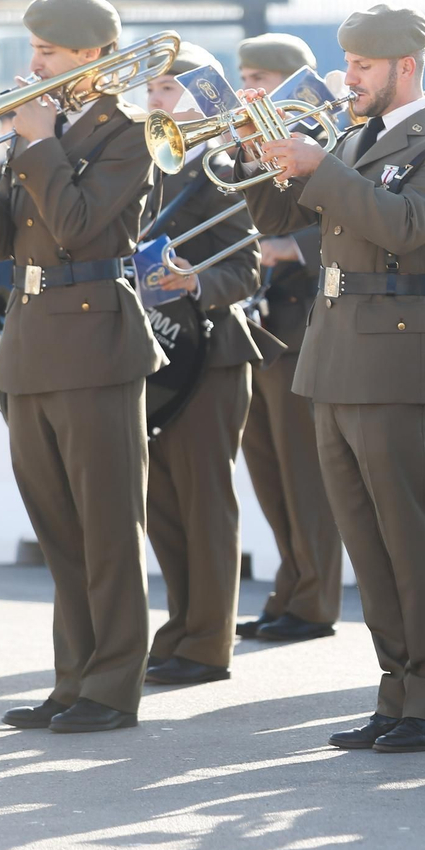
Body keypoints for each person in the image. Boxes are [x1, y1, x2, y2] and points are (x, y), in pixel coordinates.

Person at [240, 3, 425, 753]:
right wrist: (261, 160)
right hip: (336, 349)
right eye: (347, 64)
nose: (347, 78)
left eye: (362, 67)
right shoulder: (349, 139)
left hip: (399, 348)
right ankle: (396, 691)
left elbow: (407, 227)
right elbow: (277, 217)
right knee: (366, 538)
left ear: (405, 68)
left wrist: (321, 171)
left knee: (410, 533)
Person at [0, 0, 162, 733]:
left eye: (49, 51)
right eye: (35, 48)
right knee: (58, 529)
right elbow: (9, 243)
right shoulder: (37, 128)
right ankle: (72, 679)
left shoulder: (130, 131)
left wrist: (38, 142)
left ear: (93, 57)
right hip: (32, 338)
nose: (34, 62)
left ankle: (111, 688)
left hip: (96, 336)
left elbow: (77, 225)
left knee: (107, 526)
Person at [139, 43, 262, 686]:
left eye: (168, 89)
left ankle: (209, 641)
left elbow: (245, 265)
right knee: (162, 501)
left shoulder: (219, 167)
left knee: (204, 500)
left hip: (211, 354)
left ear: (200, 98)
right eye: (153, 90)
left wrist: (194, 282)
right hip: (157, 354)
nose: (155, 99)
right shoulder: (148, 165)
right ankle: (180, 626)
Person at [233, 32, 343, 644]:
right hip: (266, 326)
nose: (249, 88)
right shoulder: (262, 141)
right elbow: (262, 215)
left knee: (305, 475)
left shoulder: (326, 136)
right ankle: (290, 588)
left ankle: (314, 600)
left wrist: (292, 248)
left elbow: (350, 216)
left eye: (259, 77)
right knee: (271, 472)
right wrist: (249, 159)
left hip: (305, 322)